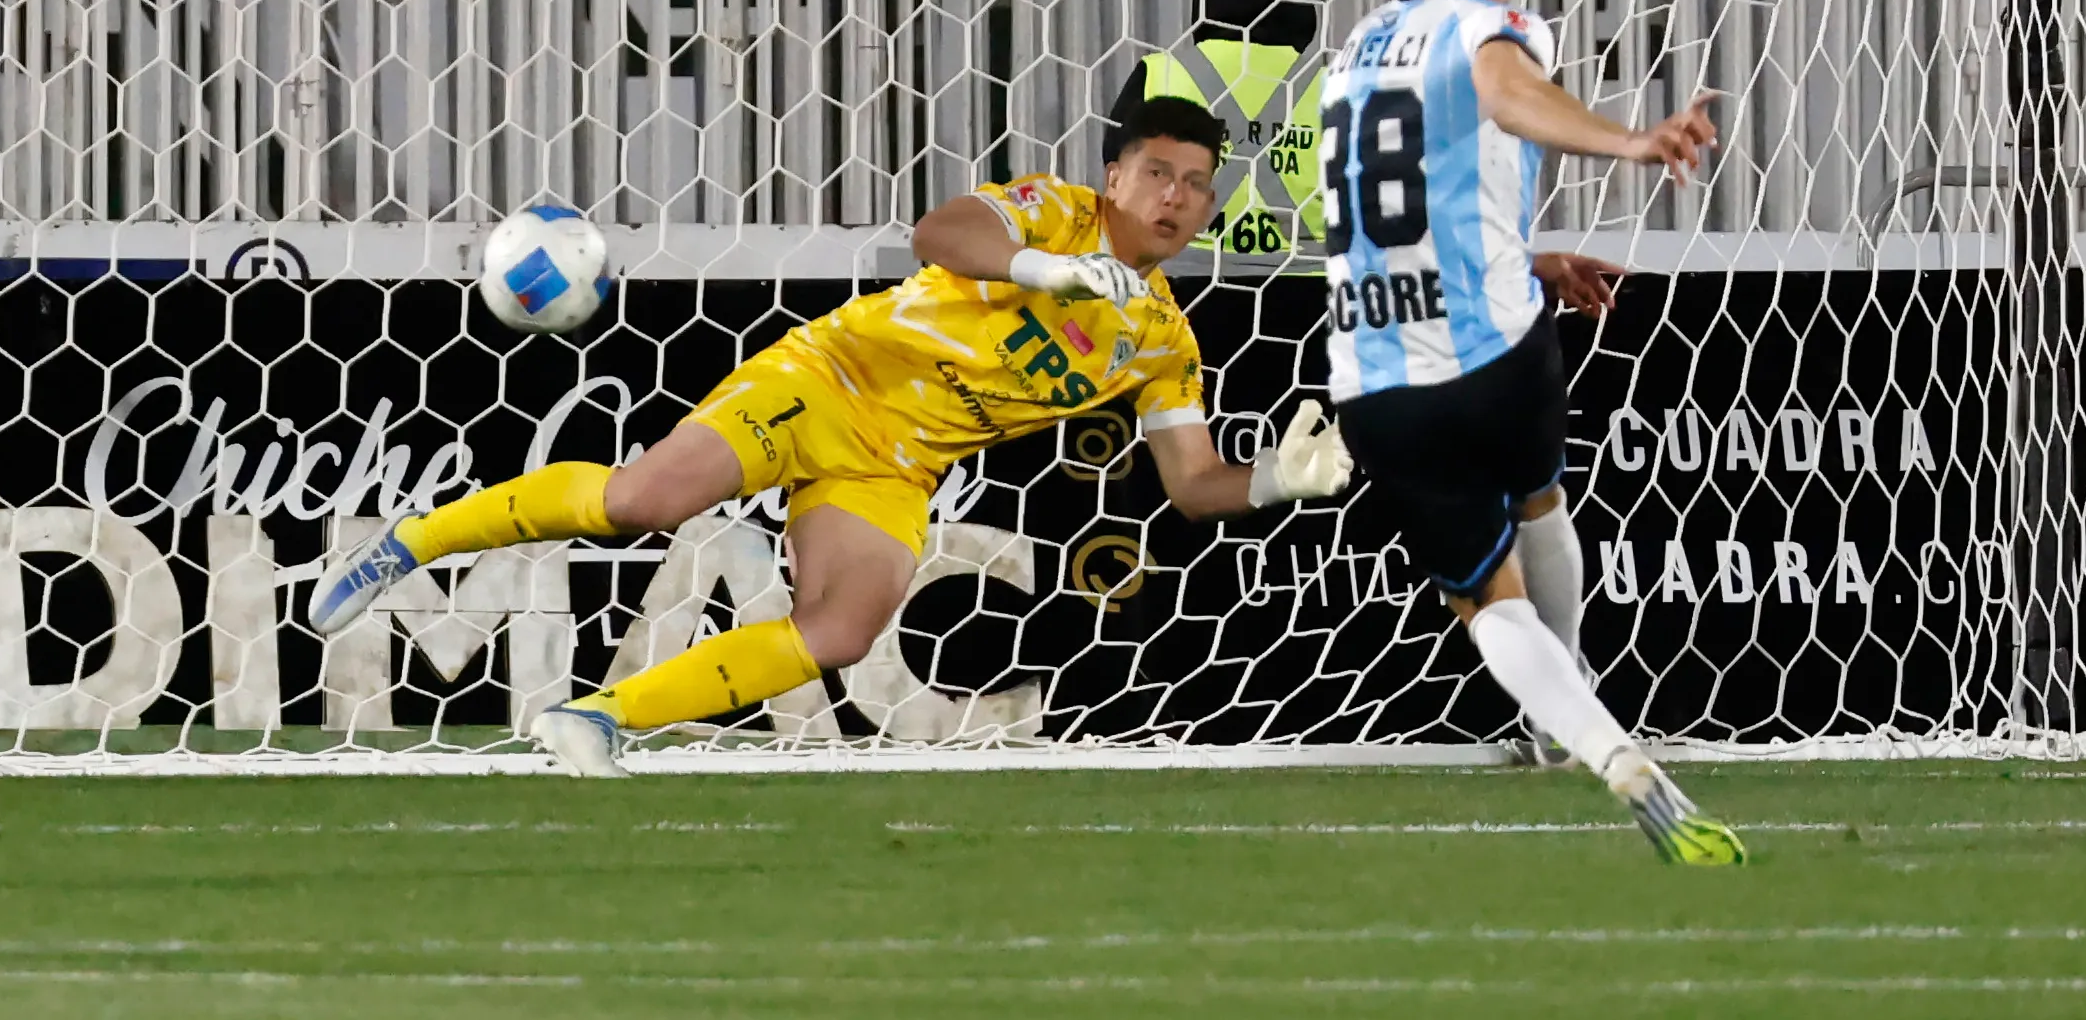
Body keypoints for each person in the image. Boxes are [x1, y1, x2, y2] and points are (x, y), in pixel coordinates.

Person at [307, 96, 1355, 776]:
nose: (1175, 196)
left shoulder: (1163, 341)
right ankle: (414, 541)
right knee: (644, 502)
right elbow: (941, 233)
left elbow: (1189, 482)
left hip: (895, 463)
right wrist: (1047, 268)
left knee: (842, 628)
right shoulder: (1054, 212)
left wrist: (1271, 480)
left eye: (1194, 184)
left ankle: (601, 717)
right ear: (1116, 173)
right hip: (827, 378)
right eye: (1157, 172)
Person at [1321, 0, 1743, 864]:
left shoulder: (1347, 53)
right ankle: (1570, 710)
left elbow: (1381, 200)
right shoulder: (1493, 26)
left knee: (1484, 599)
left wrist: (1528, 248)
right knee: (1538, 497)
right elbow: (1507, 94)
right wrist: (1632, 141)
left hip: (1378, 371)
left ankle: (1598, 745)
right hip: (1497, 350)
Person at [1111, 0, 1324, 269]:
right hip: (1308, 287)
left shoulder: (1160, 74)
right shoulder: (1332, 81)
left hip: (1188, 283)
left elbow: (1117, 176)